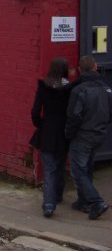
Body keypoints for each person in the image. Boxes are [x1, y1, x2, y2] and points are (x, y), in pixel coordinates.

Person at [65, 55, 112, 220]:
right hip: (99, 134)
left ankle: (96, 202)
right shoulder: (106, 88)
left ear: (79, 70)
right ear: (95, 67)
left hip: (83, 135)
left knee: (78, 171)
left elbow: (74, 115)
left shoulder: (79, 90)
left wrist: (69, 134)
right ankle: (83, 202)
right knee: (87, 168)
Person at [29, 57, 72, 217]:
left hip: (47, 130)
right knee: (60, 165)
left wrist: (40, 124)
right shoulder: (70, 88)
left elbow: (34, 112)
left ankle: (48, 204)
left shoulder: (43, 87)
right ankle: (58, 195)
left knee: (49, 169)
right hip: (63, 131)